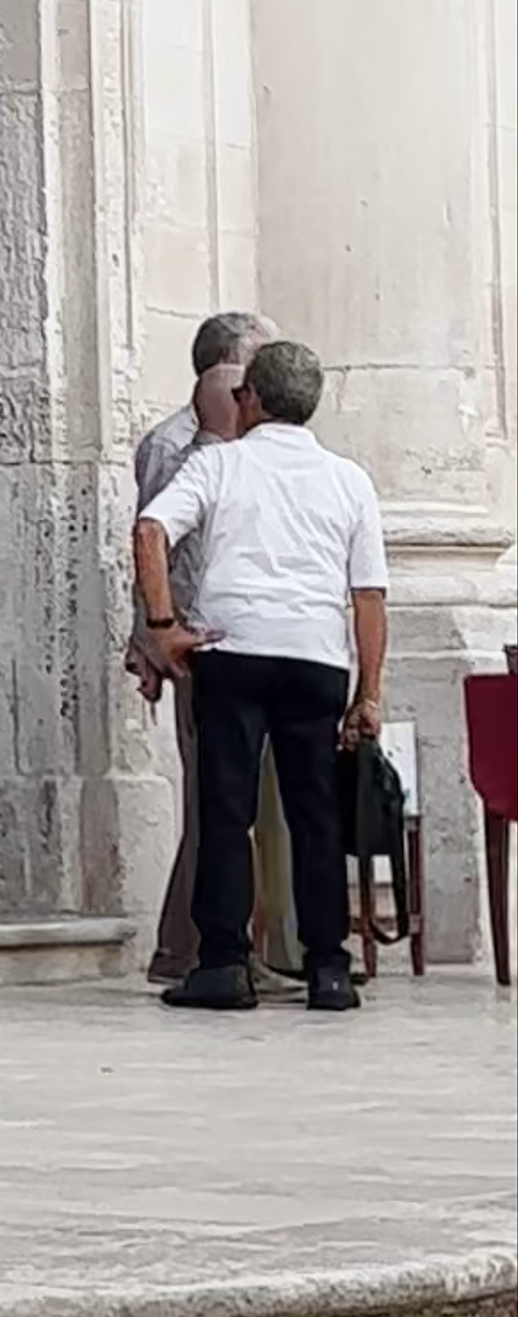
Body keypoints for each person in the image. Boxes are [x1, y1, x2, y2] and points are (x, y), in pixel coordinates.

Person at [134, 332, 387, 1018]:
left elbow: (151, 531)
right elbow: (368, 595)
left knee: (226, 809)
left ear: (250, 398)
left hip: (233, 649)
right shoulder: (349, 479)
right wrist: (368, 694)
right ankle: (328, 967)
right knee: (315, 812)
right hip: (316, 656)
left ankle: (222, 963)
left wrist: (162, 627)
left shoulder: (219, 464)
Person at [131, 313, 263, 988]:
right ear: (226, 368)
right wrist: (154, 640)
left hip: (238, 643)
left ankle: (193, 942)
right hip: (196, 643)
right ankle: (193, 948)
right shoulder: (175, 444)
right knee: (214, 798)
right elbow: (158, 545)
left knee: (226, 800)